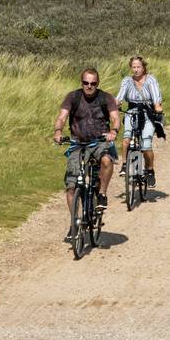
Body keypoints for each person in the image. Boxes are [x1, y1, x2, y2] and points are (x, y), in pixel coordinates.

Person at [52, 68, 120, 234]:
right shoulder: (73, 97)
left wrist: (114, 131)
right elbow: (62, 117)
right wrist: (58, 131)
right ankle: (74, 221)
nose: (89, 86)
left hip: (99, 141)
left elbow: (115, 118)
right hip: (77, 143)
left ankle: (102, 193)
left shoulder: (106, 98)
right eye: (86, 83)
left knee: (106, 161)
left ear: (98, 84)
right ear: (81, 83)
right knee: (71, 186)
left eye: (93, 83)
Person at [116, 56, 164, 188]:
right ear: (131, 68)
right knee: (126, 138)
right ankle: (125, 165)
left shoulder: (151, 80)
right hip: (132, 111)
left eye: (139, 67)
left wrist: (157, 107)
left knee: (146, 144)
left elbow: (156, 97)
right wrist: (115, 103)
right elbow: (120, 95)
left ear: (144, 68)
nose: (136, 70)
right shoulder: (127, 81)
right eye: (134, 67)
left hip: (147, 112)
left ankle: (150, 171)